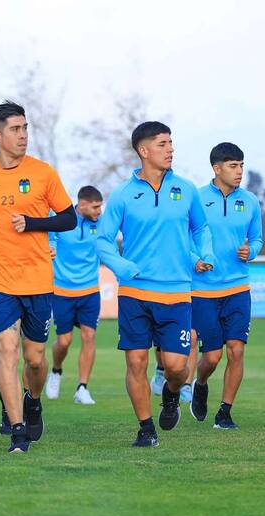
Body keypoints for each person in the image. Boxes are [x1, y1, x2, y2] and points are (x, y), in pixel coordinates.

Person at [0, 101, 76, 453]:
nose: (23, 135)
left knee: (35, 359)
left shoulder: (43, 173)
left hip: (38, 280)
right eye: (15, 129)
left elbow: (68, 219)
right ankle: (18, 430)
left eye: (25, 128)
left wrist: (34, 223)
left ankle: (34, 399)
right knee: (6, 353)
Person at [96, 121, 214, 447]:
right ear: (144, 151)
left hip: (176, 292)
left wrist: (203, 253)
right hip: (135, 292)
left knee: (176, 367)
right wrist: (122, 266)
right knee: (136, 361)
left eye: (171, 143)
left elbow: (201, 229)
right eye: (162, 144)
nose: (170, 149)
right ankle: (146, 428)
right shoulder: (122, 194)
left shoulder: (187, 189)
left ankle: (172, 394)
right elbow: (104, 242)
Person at [188, 143, 263, 429]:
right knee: (212, 356)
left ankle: (225, 412)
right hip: (204, 291)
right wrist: (195, 260)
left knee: (237, 349)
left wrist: (251, 252)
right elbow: (184, 237)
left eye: (241, 165)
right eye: (233, 165)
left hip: (238, 289)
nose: (239, 171)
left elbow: (256, 239)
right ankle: (201, 382)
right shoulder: (196, 198)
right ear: (217, 168)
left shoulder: (251, 201)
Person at [45, 185, 104, 405]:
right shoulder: (61, 219)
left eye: (100, 207)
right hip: (62, 290)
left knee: (89, 336)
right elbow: (50, 241)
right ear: (82, 204)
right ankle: (56, 371)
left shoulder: (102, 224)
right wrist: (50, 248)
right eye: (96, 207)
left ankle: (82, 388)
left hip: (90, 291)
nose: (99, 211)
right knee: (64, 341)